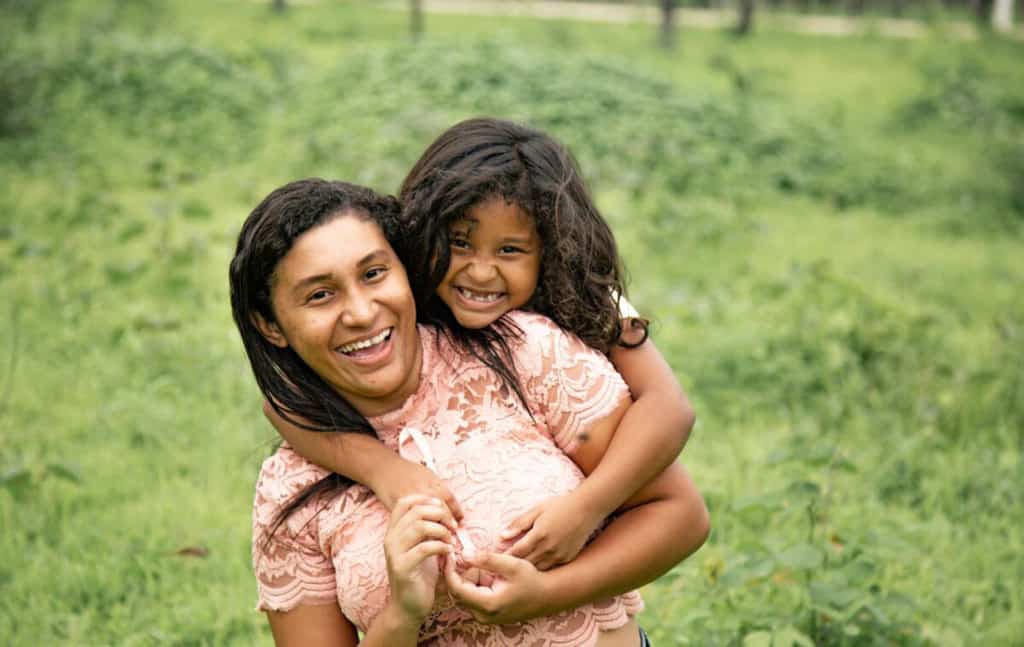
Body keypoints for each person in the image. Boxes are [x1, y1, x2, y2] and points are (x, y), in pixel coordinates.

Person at [230, 179, 709, 646]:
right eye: (320, 295)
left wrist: (548, 594)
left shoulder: (521, 353)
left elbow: (677, 512)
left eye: (374, 274)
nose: (360, 312)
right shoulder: (291, 491)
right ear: (270, 324)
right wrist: (402, 616)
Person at [270, 118, 695, 571]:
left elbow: (670, 407)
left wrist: (586, 507)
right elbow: (282, 405)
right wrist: (384, 471)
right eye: (459, 243)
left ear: (551, 249)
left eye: (509, 250)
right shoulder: (408, 295)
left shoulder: (592, 297)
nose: (479, 272)